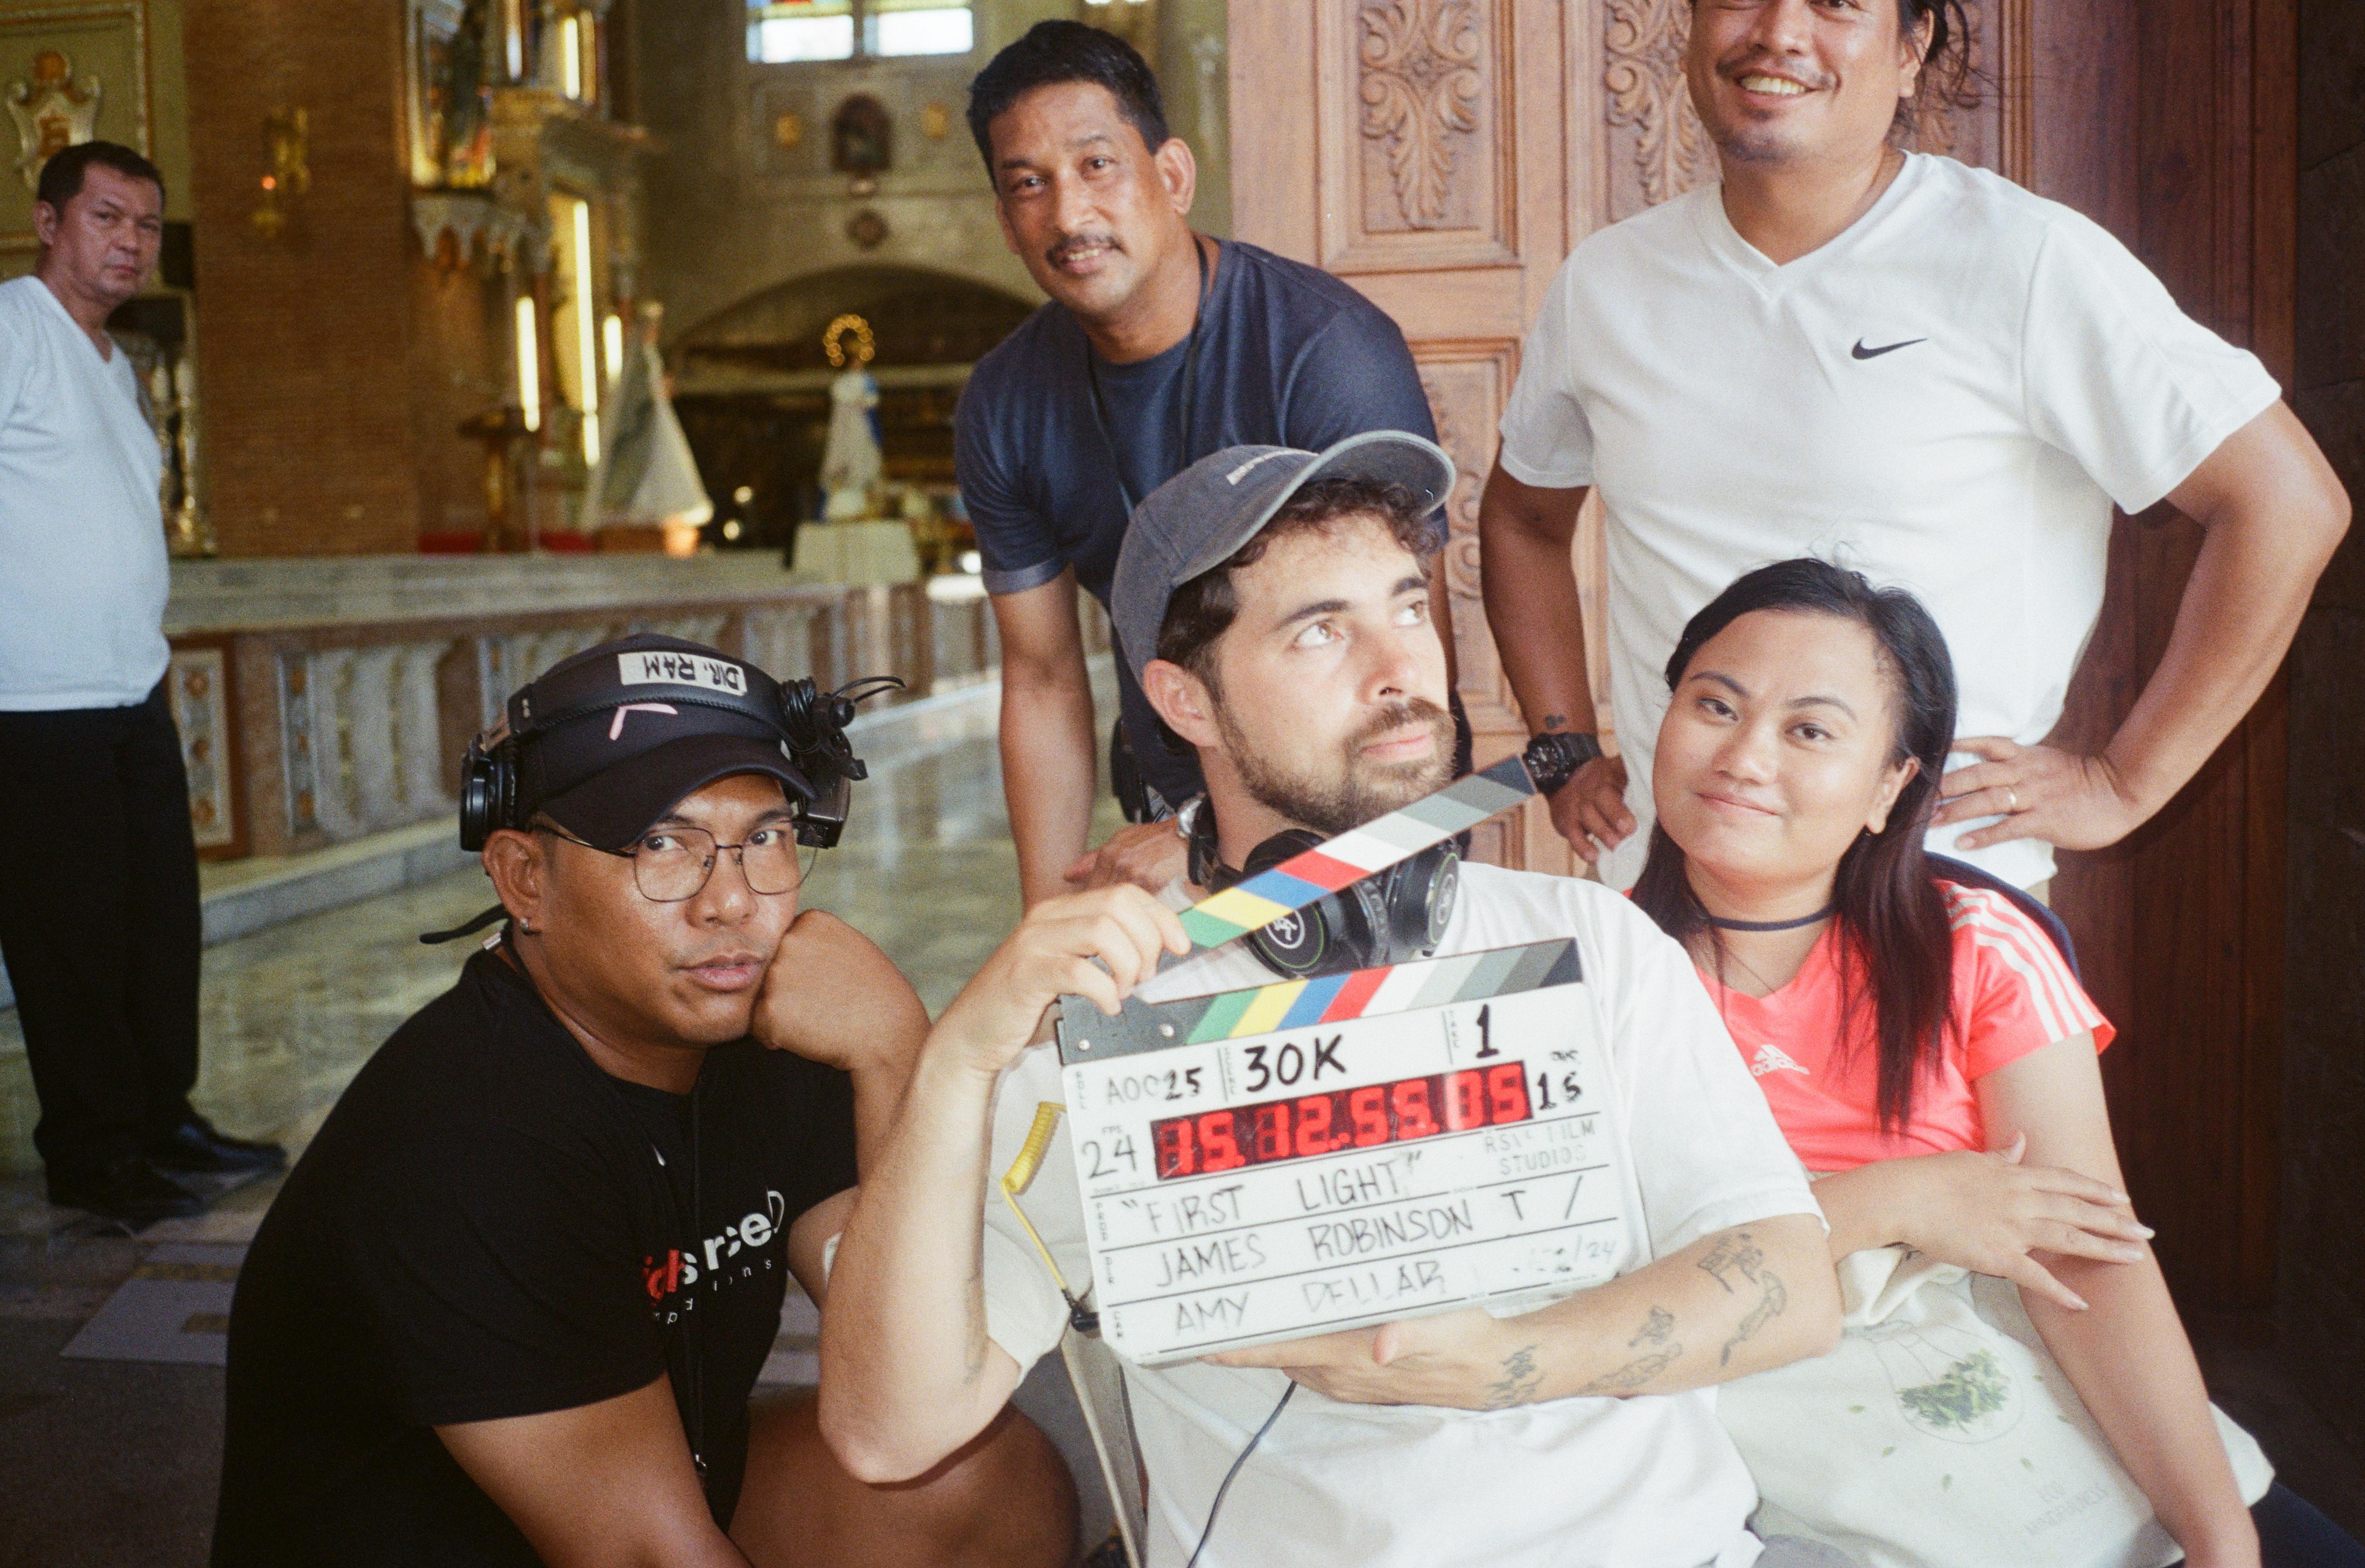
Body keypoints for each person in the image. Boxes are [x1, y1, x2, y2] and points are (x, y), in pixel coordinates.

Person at [820, 435, 1846, 1568]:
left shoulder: (1588, 939)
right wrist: (960, 1057)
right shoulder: (1109, 1025)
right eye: (1319, 629)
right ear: (1183, 698)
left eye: (1407, 607)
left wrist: (1507, 1356)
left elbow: (1790, 1285)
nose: (1397, 666)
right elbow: (885, 1432)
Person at [214, 635, 1074, 1568]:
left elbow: (920, 1379)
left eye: (765, 838)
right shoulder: (468, 1144)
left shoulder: (771, 1033)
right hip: (453, 1540)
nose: (731, 901)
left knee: (982, 1483)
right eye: (662, 844)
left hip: (652, 1491)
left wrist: (898, 1053)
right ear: (523, 879)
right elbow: (646, 1554)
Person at [1477, 0, 2349, 893]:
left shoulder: (2024, 259)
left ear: (1911, 46)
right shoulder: (1608, 283)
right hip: (1665, 901)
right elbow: (1524, 519)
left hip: (1933, 904)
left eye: (1837, 5)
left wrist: (2124, 782)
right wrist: (1563, 749)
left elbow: (2286, 503)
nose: (1780, 31)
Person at [1632, 559, 2365, 1568]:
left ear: (1892, 784)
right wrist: (1892, 1202)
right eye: (1714, 704)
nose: (1745, 756)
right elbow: (1614, 1282)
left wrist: (2216, 1535)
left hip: (2035, 1387)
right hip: (1778, 1436)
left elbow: (2087, 1252)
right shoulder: (1588, 976)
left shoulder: (1975, 945)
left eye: (1809, 729)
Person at [955, 21, 1455, 909]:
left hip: (1355, 803)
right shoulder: (1003, 403)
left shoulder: (1325, 349)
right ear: (1005, 220)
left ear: (1173, 176)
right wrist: (1045, 937)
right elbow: (1041, 678)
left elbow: (1401, 642)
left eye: (1097, 165)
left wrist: (1222, 846)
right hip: (1165, 802)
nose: (1069, 215)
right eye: (1029, 185)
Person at [0, 139, 283, 1228]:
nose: (129, 242)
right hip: (34, 705)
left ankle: (162, 1119)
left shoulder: (121, 368)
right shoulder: (14, 330)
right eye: (108, 217)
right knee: (69, 941)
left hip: (129, 693)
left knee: (158, 927)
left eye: (147, 226)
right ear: (49, 221)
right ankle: (94, 1153)